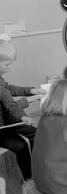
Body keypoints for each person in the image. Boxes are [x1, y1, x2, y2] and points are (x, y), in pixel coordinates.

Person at [0, 39, 45, 181]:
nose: (10, 68)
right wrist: (23, 116)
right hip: (2, 127)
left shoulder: (1, 81)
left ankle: (38, 166)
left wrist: (30, 90)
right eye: (7, 64)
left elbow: (10, 89)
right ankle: (29, 178)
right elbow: (11, 106)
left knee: (35, 133)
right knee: (20, 146)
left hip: (8, 120)